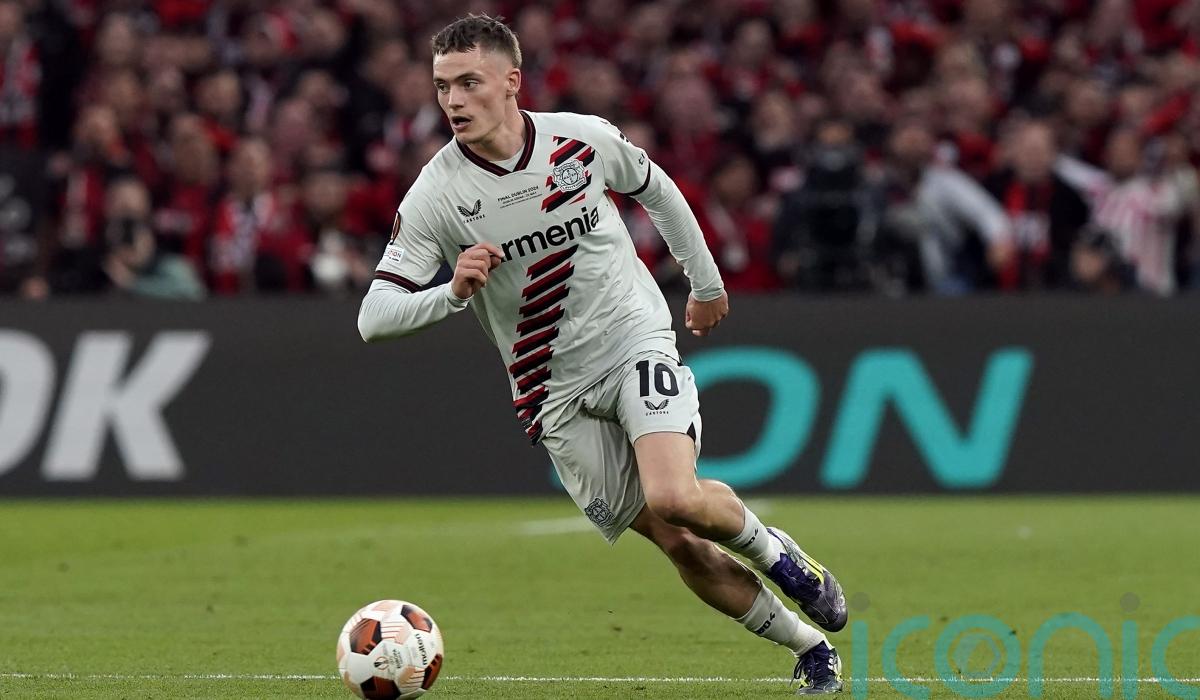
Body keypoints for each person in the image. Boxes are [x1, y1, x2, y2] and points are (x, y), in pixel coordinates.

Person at [357, 14, 847, 694]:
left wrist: (705, 284)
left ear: (511, 82)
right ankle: (810, 646)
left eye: (469, 83)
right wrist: (452, 293)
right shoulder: (437, 194)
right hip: (551, 392)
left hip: (630, 339)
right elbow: (373, 318)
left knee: (675, 496)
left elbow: (657, 189)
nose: (453, 101)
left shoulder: (579, 140)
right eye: (443, 87)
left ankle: (782, 559)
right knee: (678, 542)